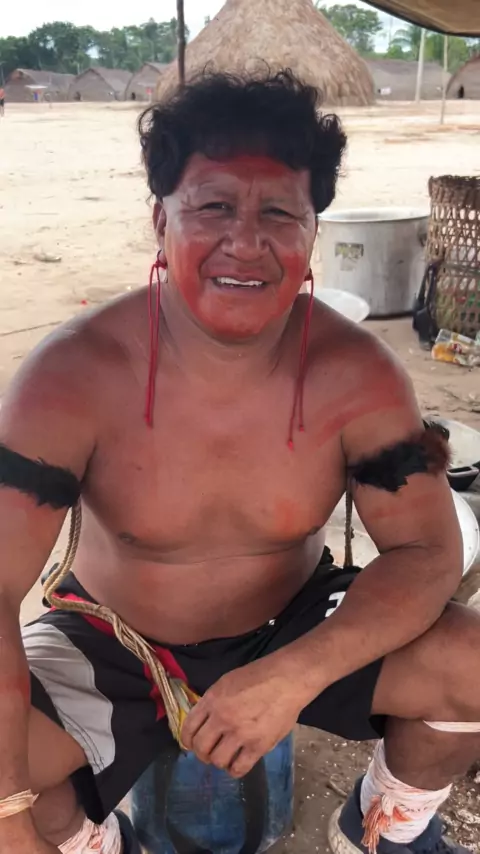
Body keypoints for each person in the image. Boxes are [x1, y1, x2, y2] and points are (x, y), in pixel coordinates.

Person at [0, 69, 479, 854]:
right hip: (111, 641)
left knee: (473, 661)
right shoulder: (71, 377)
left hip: (295, 622)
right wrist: (10, 819)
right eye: (214, 207)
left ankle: (387, 831)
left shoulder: (358, 374)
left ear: (312, 232)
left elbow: (429, 550)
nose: (247, 243)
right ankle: (92, 842)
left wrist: (298, 672)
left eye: (279, 213)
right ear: (161, 218)